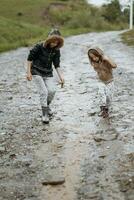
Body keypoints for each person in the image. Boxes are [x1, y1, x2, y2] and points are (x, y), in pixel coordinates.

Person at [27, 29, 64, 123]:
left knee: (52, 90)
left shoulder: (56, 50)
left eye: (57, 42)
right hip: (36, 71)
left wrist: (61, 76)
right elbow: (29, 59)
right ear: (49, 39)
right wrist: (28, 72)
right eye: (53, 42)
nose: (54, 44)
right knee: (43, 92)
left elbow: (57, 65)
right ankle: (45, 114)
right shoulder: (39, 46)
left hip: (48, 72)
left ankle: (46, 107)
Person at [88, 47, 117, 118]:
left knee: (109, 97)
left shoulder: (106, 60)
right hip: (100, 81)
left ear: (99, 54)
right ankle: (102, 109)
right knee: (101, 93)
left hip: (110, 81)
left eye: (95, 56)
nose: (94, 58)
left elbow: (114, 66)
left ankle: (106, 110)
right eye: (92, 58)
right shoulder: (94, 62)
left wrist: (107, 59)